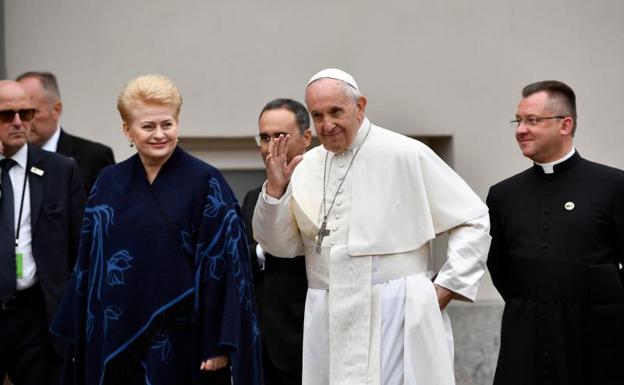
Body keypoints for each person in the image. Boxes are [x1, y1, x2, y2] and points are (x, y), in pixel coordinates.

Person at [252, 68, 491, 385]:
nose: (327, 124)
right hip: (327, 308)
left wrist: (447, 286)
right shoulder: (306, 165)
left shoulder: (405, 152)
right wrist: (276, 191)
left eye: (336, 111)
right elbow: (279, 246)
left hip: (395, 307)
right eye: (318, 115)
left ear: (360, 106)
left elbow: (473, 218)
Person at [51, 74, 263, 385]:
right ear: (128, 130)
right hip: (118, 340)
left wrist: (219, 342)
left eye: (167, 124)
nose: (159, 134)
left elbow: (229, 269)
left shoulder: (207, 182)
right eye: (148, 126)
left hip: (188, 341)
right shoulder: (108, 183)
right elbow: (89, 266)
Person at [487, 80, 624, 385]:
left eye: (532, 120)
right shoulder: (503, 195)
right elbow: (499, 266)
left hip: (596, 340)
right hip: (524, 339)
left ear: (565, 125)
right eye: (518, 120)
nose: (520, 129)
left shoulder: (613, 186)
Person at [0, 80, 84, 384]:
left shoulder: (61, 170)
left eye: (26, 112)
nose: (19, 122)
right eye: (7, 115)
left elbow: (80, 249)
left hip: (36, 313)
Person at [241, 99, 310, 385]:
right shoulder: (252, 196)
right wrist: (261, 251)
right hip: (260, 344)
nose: (271, 145)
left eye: (280, 137)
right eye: (265, 137)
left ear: (306, 138)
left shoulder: (324, 192)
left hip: (307, 342)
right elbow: (241, 258)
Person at [16, 71, 115, 192]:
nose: (19, 121)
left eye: (31, 112)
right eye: (13, 114)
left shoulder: (93, 158)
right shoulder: (8, 160)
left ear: (56, 110)